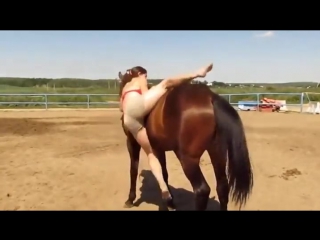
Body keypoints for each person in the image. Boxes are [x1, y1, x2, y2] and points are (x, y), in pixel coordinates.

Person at [120, 63, 213, 199]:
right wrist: (156, 90)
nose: (146, 78)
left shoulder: (126, 87)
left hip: (129, 120)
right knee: (165, 83)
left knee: (150, 154)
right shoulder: (140, 79)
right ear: (139, 74)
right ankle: (197, 73)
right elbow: (146, 94)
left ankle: (164, 189)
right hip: (138, 106)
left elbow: (121, 109)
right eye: (145, 76)